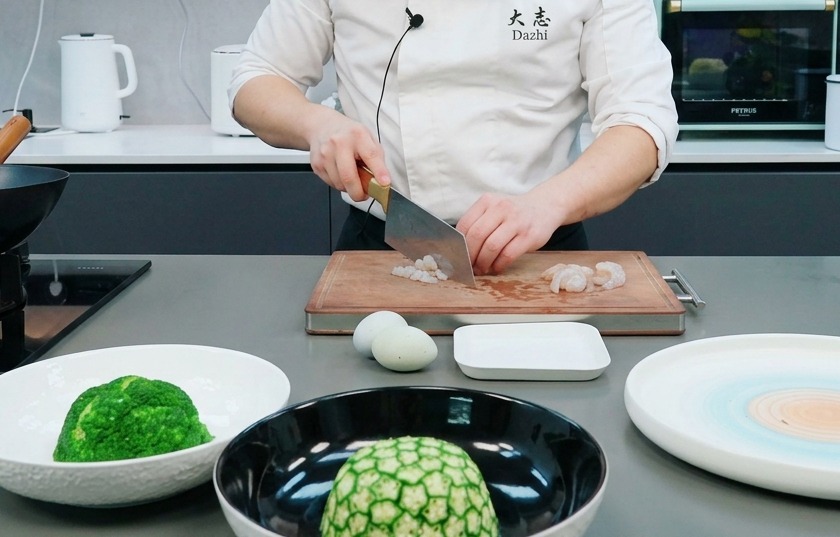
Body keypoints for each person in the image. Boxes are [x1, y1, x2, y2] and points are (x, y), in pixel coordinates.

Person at [229, 1, 678, 275]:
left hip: (539, 253)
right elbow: (257, 79)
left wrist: (547, 204)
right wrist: (319, 124)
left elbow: (641, 120)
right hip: (381, 243)